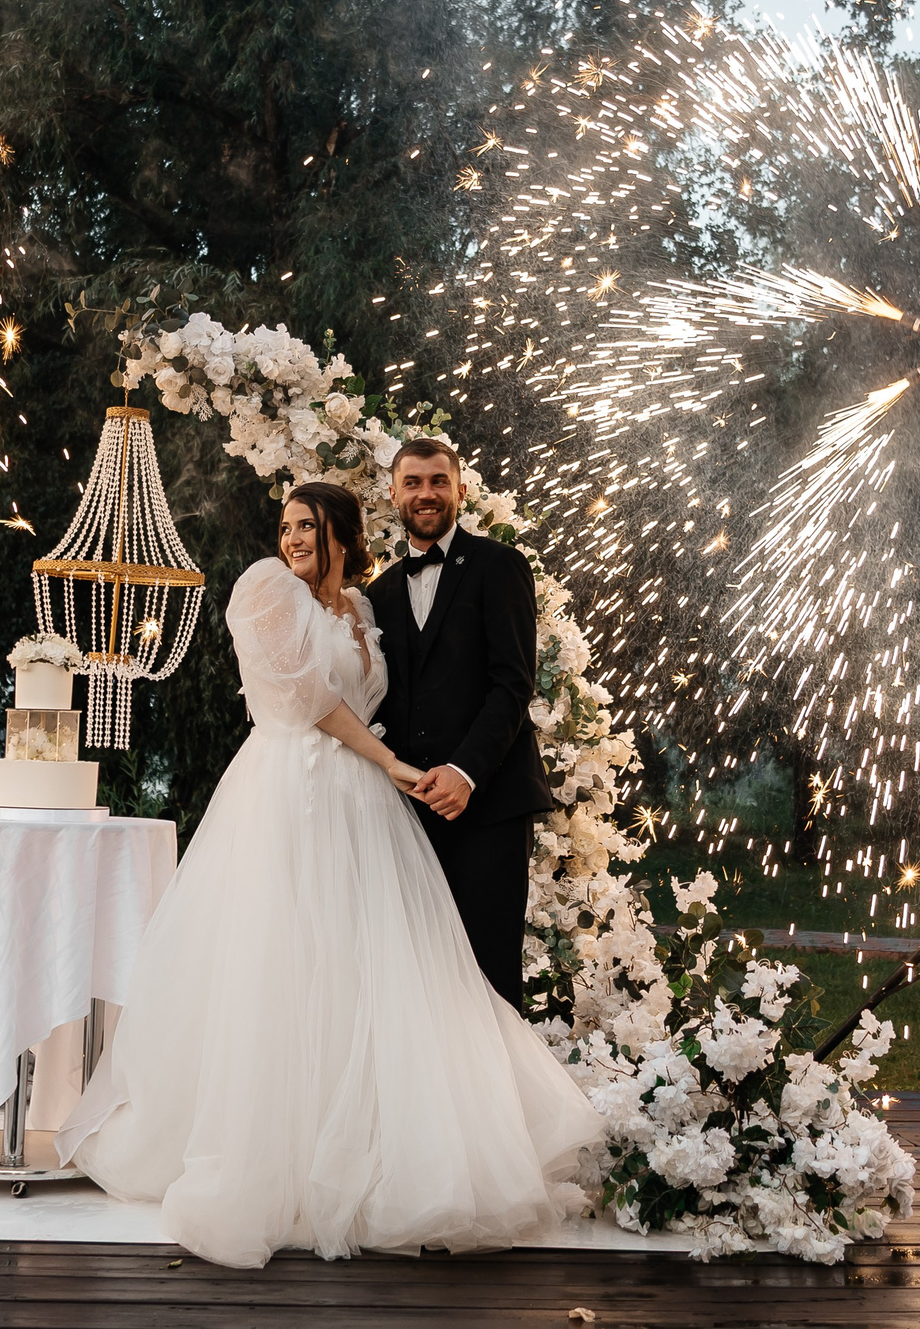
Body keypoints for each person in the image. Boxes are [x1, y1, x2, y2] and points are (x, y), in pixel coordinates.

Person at [57, 481, 599, 1268]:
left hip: (364, 808)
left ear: (340, 531)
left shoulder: (365, 608)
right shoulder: (265, 588)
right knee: (286, 961)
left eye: (307, 524)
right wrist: (391, 760)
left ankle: (376, 1149)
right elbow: (308, 697)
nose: (293, 538)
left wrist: (422, 765)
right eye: (286, 525)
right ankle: (271, 1154)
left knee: (371, 968)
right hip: (289, 794)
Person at [364, 439, 554, 1009]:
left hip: (489, 804)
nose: (426, 493)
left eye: (438, 481)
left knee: (487, 976)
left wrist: (464, 772)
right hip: (409, 812)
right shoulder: (379, 592)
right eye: (413, 482)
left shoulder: (499, 566)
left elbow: (513, 684)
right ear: (393, 494)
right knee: (417, 978)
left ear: (460, 492)